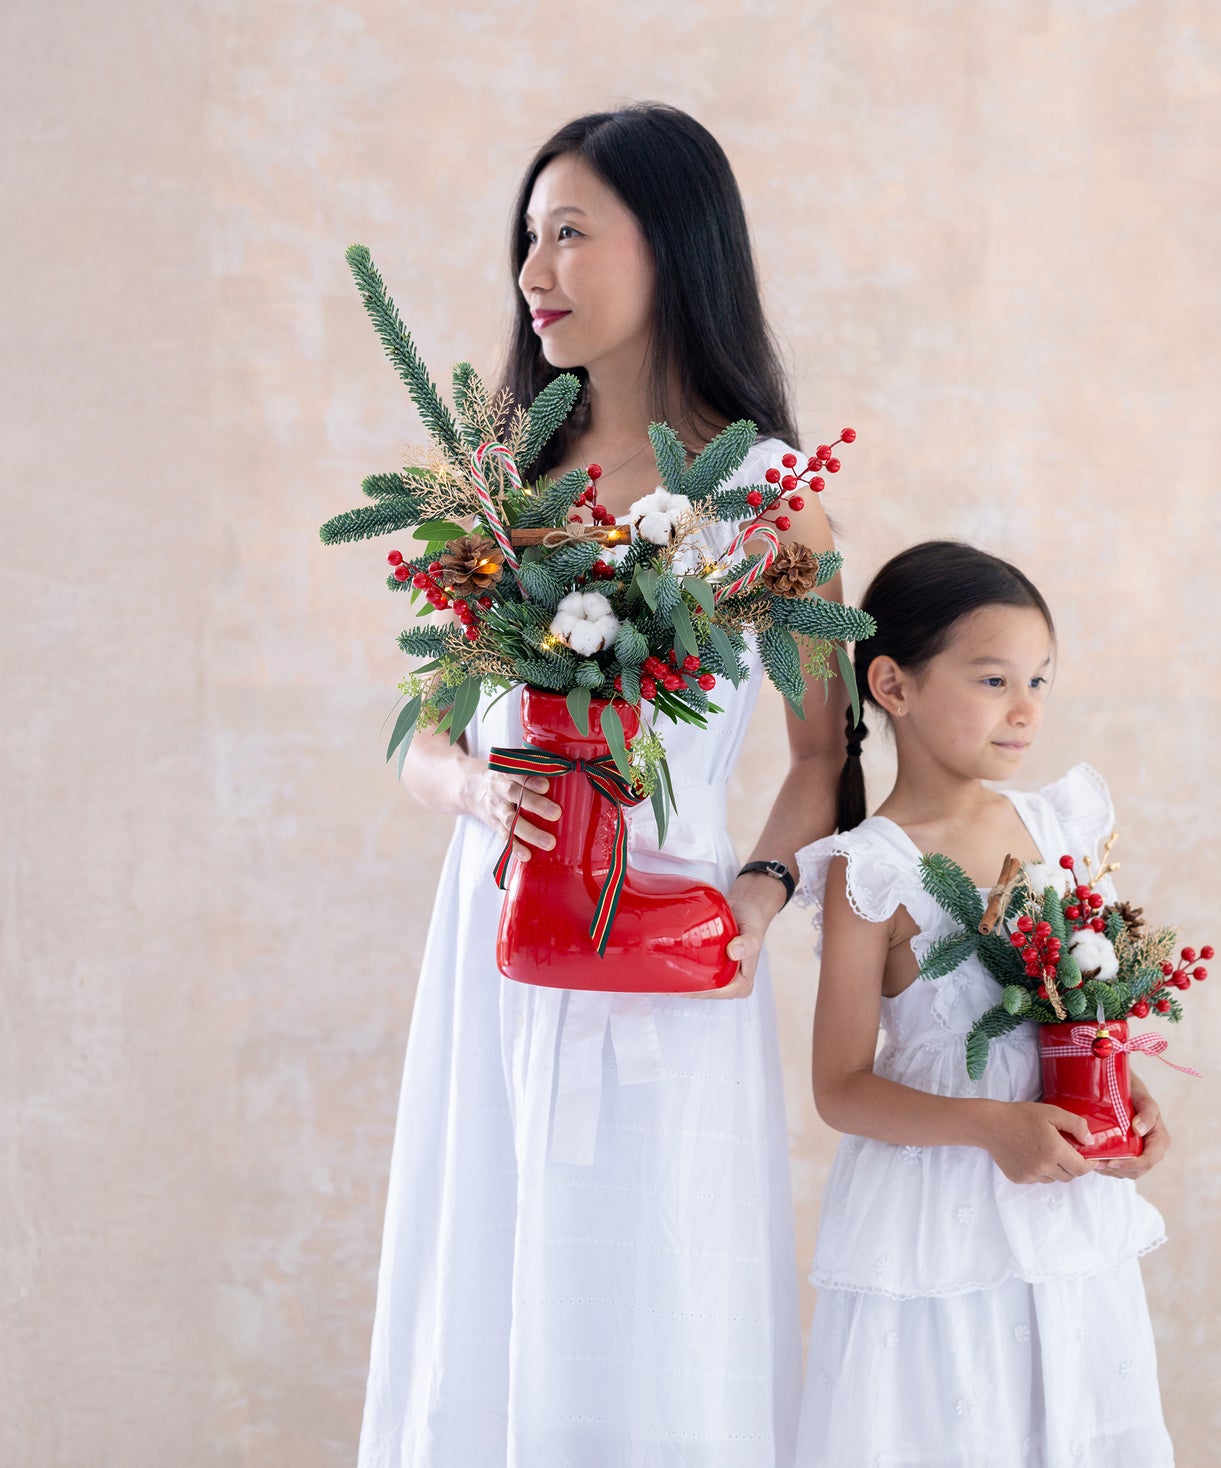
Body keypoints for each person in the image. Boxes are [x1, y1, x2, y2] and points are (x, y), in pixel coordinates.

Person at [358, 104, 845, 1467]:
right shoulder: (503, 487)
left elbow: (826, 759)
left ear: (674, 246)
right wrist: (470, 792)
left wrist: (752, 901)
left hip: (666, 942)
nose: (535, 272)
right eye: (529, 237)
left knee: (653, 1290)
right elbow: (424, 735)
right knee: (488, 1264)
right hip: (494, 941)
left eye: (571, 232)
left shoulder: (764, 497)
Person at [793, 541, 1175, 1467]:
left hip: (1060, 1204)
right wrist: (990, 1127)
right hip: (933, 1219)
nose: (1026, 708)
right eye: (995, 678)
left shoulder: (1057, 828)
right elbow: (840, 1088)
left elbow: (1082, 1001)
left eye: (1040, 680)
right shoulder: (873, 869)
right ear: (893, 684)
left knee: (1071, 1427)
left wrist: (1129, 1099)